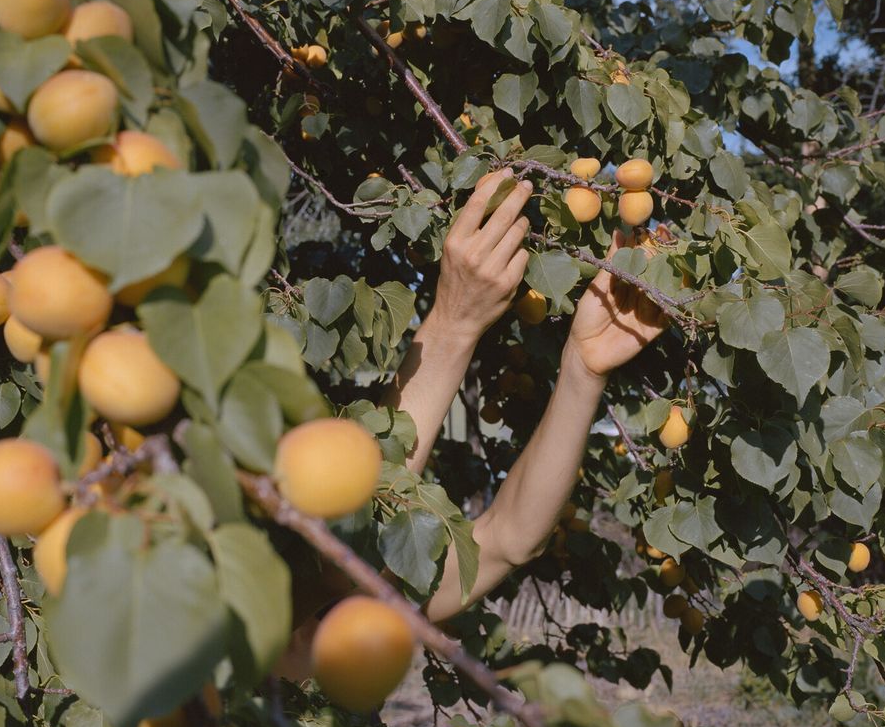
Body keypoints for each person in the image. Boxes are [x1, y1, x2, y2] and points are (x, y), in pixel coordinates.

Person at [281, 168, 666, 673]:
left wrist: (583, 367)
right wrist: (451, 325)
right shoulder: (230, 637)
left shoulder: (328, 629)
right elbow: (339, 546)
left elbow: (508, 540)